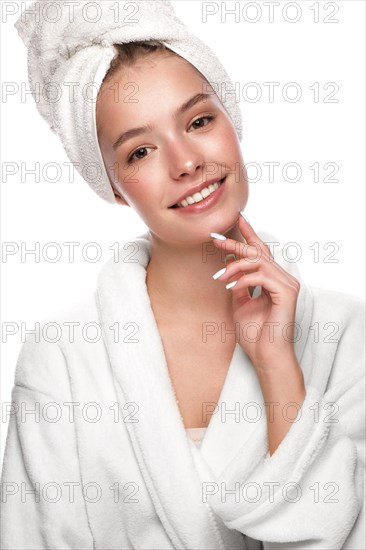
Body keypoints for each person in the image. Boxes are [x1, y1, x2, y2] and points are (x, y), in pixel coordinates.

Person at [1, 2, 365, 549]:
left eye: (199, 121)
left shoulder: (348, 335)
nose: (186, 162)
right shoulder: (62, 357)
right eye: (140, 151)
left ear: (232, 122)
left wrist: (277, 365)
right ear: (115, 187)